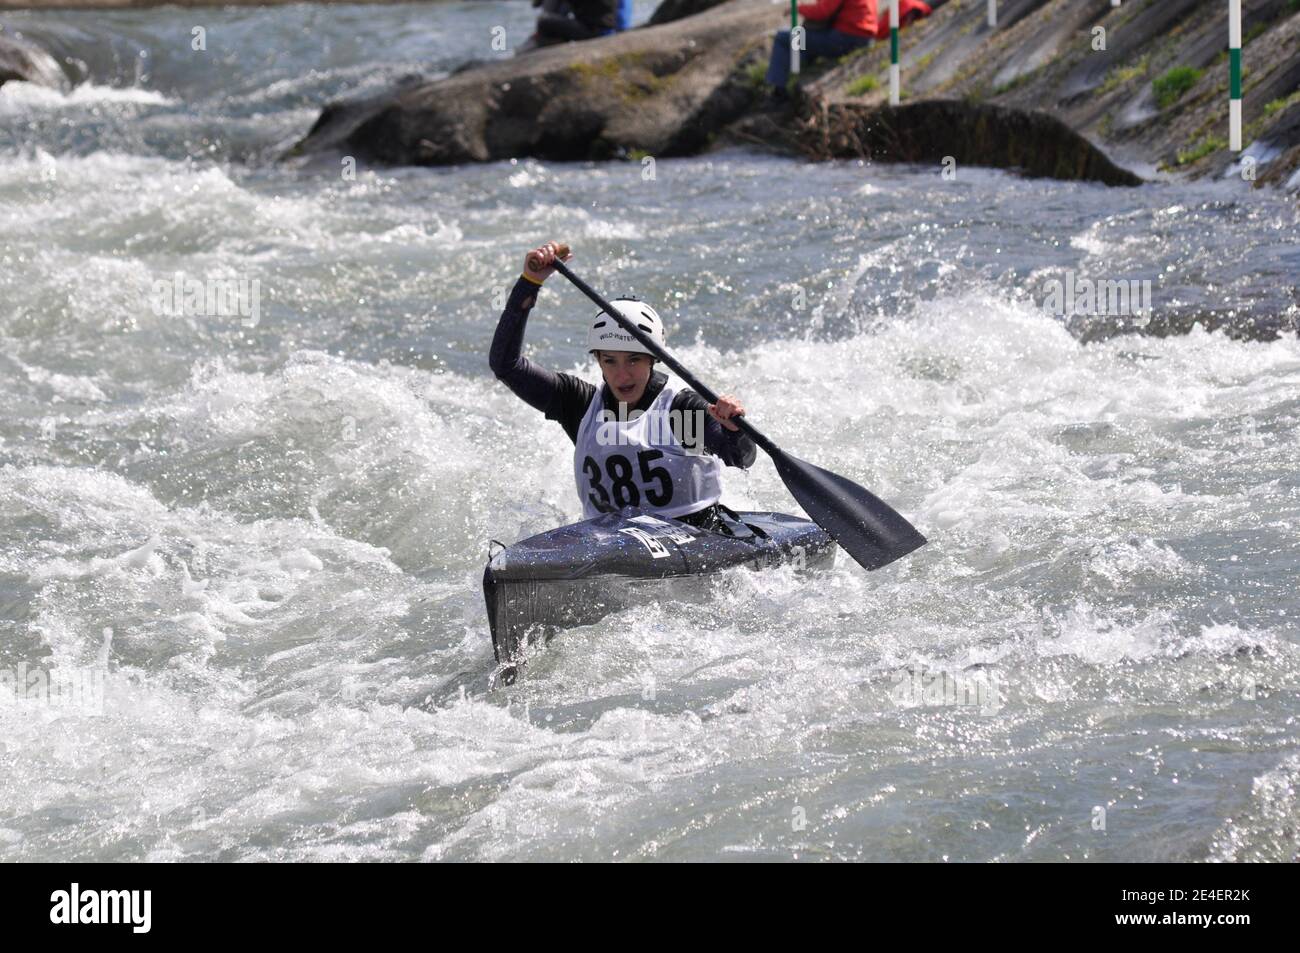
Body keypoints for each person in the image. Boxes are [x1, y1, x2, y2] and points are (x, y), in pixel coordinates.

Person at [489, 241, 757, 531]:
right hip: (610, 541)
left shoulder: (679, 411)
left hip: (694, 532)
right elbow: (506, 365)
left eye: (633, 360)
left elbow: (740, 458)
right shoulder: (578, 406)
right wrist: (530, 283)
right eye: (610, 361)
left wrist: (734, 429)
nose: (622, 375)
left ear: (652, 359)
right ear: (598, 360)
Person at [765, 0, 879, 99]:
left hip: (844, 40)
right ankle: (797, 73)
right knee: (804, 41)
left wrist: (798, 8)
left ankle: (779, 91)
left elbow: (822, 12)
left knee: (783, 37)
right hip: (864, 39)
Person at [526, 0, 631, 49]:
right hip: (608, 29)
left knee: (544, 21)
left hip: (593, 32)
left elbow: (538, 5)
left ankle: (544, 43)